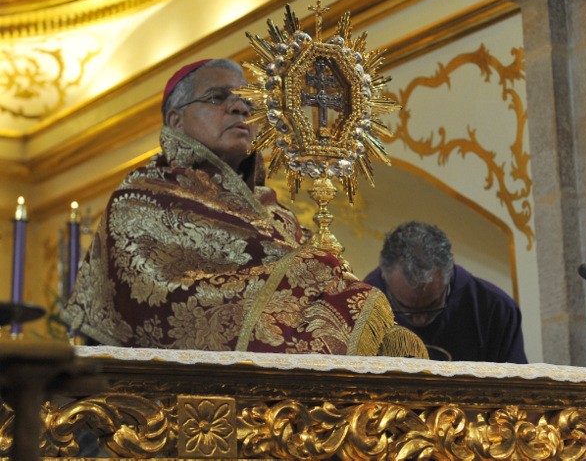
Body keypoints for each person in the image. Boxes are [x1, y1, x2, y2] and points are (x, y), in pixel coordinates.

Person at [62, 58, 425, 358]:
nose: (239, 108)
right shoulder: (140, 199)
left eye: (247, 103)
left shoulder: (277, 214)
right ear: (175, 120)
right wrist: (312, 274)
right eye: (218, 97)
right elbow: (172, 308)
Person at [363, 221, 527, 363]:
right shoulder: (360, 305)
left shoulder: (496, 309)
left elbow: (515, 388)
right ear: (385, 277)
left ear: (448, 276)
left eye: (432, 305)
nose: (420, 321)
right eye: (406, 308)